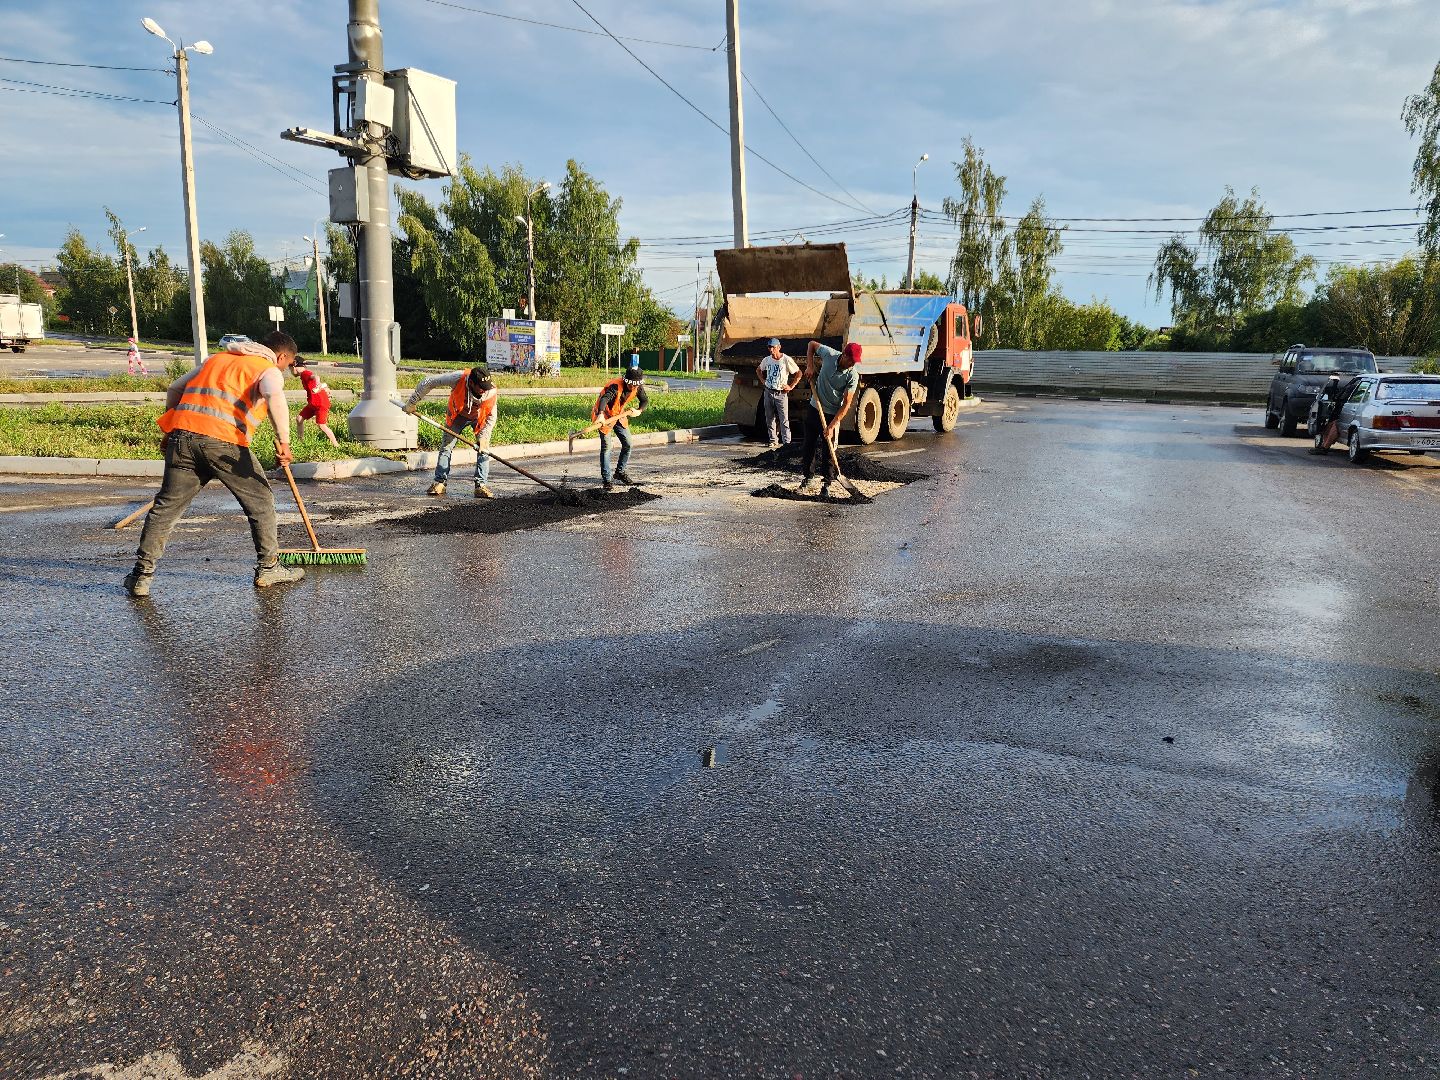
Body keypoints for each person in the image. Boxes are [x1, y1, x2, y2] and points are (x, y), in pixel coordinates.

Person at [123, 331, 306, 597]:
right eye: (288, 365)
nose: (286, 370)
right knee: (261, 502)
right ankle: (268, 568)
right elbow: (274, 396)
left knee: (165, 508)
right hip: (223, 444)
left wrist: (169, 431)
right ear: (281, 357)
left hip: (182, 438)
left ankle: (141, 576)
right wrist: (285, 442)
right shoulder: (267, 369)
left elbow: (175, 388)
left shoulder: (215, 360)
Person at [402, 364, 498, 498]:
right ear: (471, 382)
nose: (484, 390)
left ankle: (480, 486)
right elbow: (428, 381)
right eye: (481, 387)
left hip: (479, 418)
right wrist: (412, 403)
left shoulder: (490, 390)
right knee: (446, 447)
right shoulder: (458, 378)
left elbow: (492, 417)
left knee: (484, 450)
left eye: (486, 387)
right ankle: (440, 482)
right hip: (457, 415)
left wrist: (484, 437)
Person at [799, 340, 862, 495]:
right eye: (852, 360)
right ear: (845, 355)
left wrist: (832, 425)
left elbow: (846, 404)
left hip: (833, 414)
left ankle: (827, 483)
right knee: (809, 444)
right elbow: (811, 345)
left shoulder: (852, 375)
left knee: (828, 449)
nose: (853, 364)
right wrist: (810, 365)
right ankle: (808, 477)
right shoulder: (829, 355)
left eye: (855, 362)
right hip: (815, 407)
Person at [592, 361, 648, 491]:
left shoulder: (637, 386)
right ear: (626, 380)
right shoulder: (615, 386)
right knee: (607, 448)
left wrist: (639, 410)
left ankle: (620, 472)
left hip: (619, 414)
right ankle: (607, 480)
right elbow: (604, 399)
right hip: (604, 415)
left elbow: (644, 400)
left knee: (628, 443)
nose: (633, 388)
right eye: (631, 384)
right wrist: (600, 414)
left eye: (635, 385)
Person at [756, 337, 802, 450]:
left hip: (781, 393)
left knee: (784, 419)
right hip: (769, 391)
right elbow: (758, 370)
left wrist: (791, 386)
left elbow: (799, 373)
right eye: (769, 347)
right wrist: (763, 381)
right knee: (770, 417)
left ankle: (787, 443)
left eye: (773, 347)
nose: (771, 350)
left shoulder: (786, 359)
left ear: (779, 347)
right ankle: (773, 440)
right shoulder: (767, 360)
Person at [292, 356, 339, 448]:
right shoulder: (303, 375)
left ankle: (336, 445)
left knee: (322, 425)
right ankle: (300, 442)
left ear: (294, 366)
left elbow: (315, 376)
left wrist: (317, 383)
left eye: (290, 369)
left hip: (321, 403)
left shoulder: (305, 373)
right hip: (313, 403)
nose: (290, 371)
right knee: (299, 419)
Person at [1310, 373, 1362, 453]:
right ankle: (1323, 446)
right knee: (1329, 426)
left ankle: (1325, 448)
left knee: (1334, 426)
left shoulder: (1354, 388)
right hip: (1339, 411)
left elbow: (1339, 398)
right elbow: (1337, 397)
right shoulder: (1352, 385)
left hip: (1345, 413)